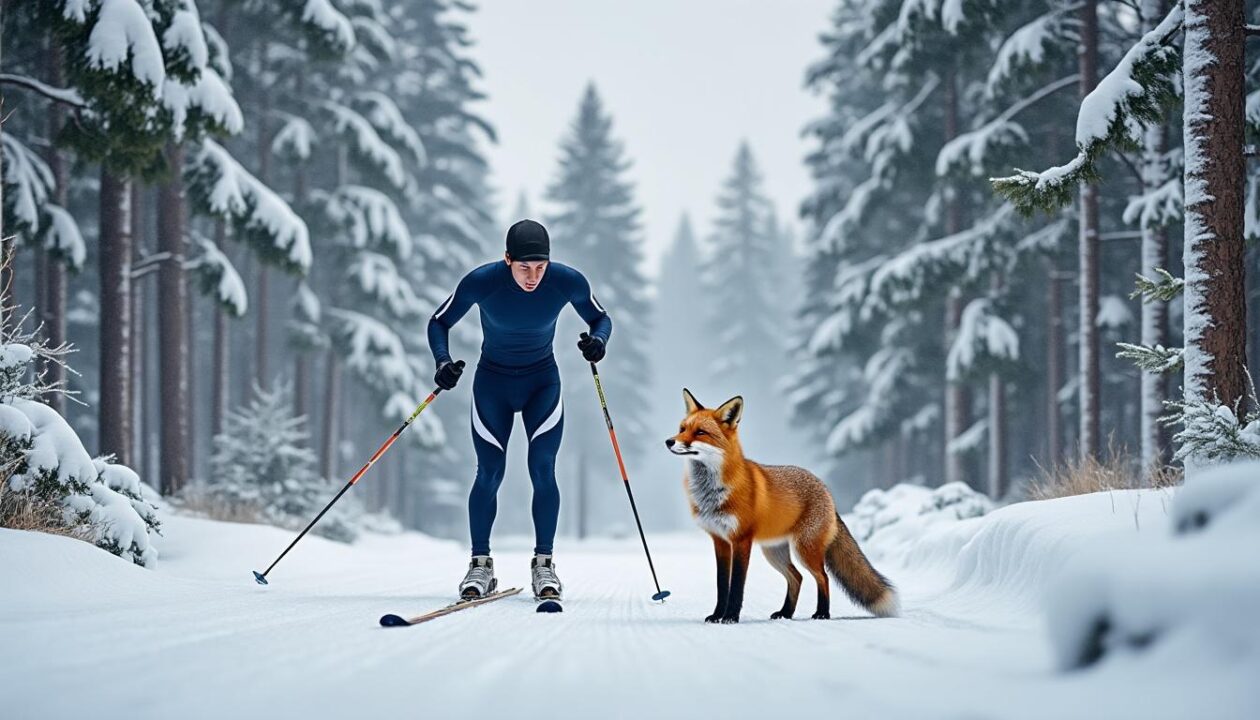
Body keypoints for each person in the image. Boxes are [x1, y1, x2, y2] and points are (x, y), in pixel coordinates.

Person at [427, 219, 611, 602]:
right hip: (492, 384)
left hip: (542, 384)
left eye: (540, 267)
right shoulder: (482, 281)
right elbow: (439, 321)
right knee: (490, 471)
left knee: (542, 468)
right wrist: (442, 362)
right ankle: (480, 566)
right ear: (507, 259)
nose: (533, 277)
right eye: (524, 267)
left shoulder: (567, 281)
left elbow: (600, 318)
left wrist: (598, 341)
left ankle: (544, 564)